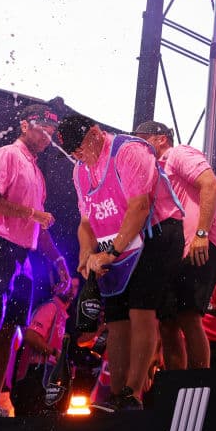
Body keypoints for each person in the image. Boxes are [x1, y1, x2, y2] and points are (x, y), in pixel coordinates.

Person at [55, 114, 184, 412]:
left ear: (95, 133)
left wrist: (110, 253)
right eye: (72, 153)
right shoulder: (80, 171)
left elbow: (139, 208)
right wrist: (86, 254)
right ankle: (115, 396)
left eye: (80, 148)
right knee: (115, 315)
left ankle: (132, 394)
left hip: (157, 232)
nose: (78, 156)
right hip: (118, 239)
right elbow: (86, 222)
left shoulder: (128, 151)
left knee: (140, 308)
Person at [0, 104, 70, 418]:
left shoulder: (37, 173)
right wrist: (30, 213)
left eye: (51, 132)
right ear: (24, 125)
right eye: (42, 129)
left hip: (22, 255)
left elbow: (39, 226)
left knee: (10, 329)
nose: (47, 137)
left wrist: (58, 259)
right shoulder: (7, 154)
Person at [132, 121, 216, 370]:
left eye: (144, 139)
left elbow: (211, 185)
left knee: (188, 315)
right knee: (167, 322)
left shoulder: (179, 153)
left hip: (203, 243)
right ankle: (175, 385)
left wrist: (201, 233)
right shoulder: (151, 171)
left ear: (162, 139)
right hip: (174, 252)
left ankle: (199, 384)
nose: (138, 146)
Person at [10, 276, 79, 416]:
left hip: (44, 375)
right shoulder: (51, 307)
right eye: (68, 285)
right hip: (34, 375)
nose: (71, 289)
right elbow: (31, 336)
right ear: (57, 286)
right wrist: (54, 353)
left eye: (75, 287)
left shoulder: (62, 314)